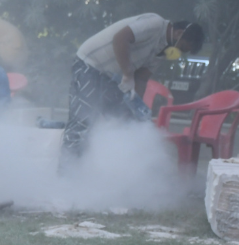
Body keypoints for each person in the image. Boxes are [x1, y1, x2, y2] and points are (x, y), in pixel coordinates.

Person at [60, 15, 205, 169]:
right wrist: (128, 74)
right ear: (178, 33)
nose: (179, 52)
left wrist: (136, 107)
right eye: (182, 47)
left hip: (111, 76)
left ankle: (107, 172)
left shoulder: (162, 51)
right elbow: (120, 38)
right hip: (90, 64)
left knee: (122, 121)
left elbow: (141, 79)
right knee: (83, 119)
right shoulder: (154, 24)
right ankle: (67, 175)